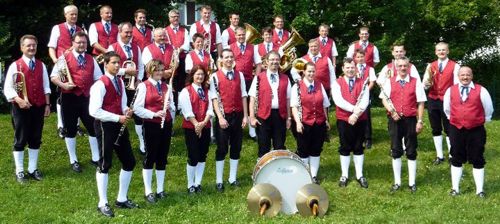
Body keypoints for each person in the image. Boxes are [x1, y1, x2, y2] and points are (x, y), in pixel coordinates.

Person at [89, 52, 138, 217]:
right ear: (106, 64)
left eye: (119, 63)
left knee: (129, 161)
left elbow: (123, 102)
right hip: (105, 126)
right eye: (114, 63)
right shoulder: (99, 85)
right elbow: (94, 111)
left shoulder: (119, 81)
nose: (118, 66)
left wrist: (126, 110)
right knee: (105, 164)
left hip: (119, 124)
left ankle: (121, 198)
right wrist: (119, 117)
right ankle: (102, 202)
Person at [50, 31, 102, 172]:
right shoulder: (63, 58)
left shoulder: (91, 59)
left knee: (92, 128)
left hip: (87, 99)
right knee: (70, 129)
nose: (81, 45)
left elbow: (99, 78)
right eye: (78, 42)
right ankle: (74, 160)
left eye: (84, 42)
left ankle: (96, 158)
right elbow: (54, 76)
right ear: (72, 43)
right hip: (69, 98)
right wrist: (64, 85)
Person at [3, 35, 51, 183]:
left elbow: (46, 86)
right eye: (28, 45)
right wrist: (19, 100)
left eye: (34, 45)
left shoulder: (41, 65)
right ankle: (19, 171)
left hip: (38, 106)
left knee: (36, 138)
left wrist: (47, 105)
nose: (31, 48)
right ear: (22, 48)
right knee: (21, 138)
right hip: (21, 108)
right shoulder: (15, 66)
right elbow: (7, 88)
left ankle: (32, 168)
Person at [444, 66, 493, 198]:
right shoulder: (450, 91)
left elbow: (488, 109)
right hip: (456, 129)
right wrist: (457, 119)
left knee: (477, 157)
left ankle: (480, 190)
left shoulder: (481, 90)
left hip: (476, 130)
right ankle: (455, 189)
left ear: (472, 76)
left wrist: (477, 121)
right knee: (456, 157)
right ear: (458, 76)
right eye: (462, 75)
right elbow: (447, 109)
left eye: (468, 75)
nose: (465, 77)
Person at [379, 56, 426, 194]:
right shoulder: (390, 81)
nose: (403, 68)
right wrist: (391, 111)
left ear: (409, 67)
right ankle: (397, 182)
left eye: (405, 66)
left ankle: (412, 183)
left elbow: (421, 102)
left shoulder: (416, 82)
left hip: (410, 119)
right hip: (394, 119)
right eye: (400, 66)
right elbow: (384, 99)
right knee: (396, 150)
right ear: (396, 67)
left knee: (411, 150)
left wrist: (420, 120)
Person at [134, 60, 175, 203]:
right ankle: (148, 191)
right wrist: (153, 114)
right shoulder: (143, 86)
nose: (160, 72)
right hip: (151, 124)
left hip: (166, 125)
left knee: (162, 157)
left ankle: (160, 189)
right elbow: (136, 108)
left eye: (162, 69)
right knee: (150, 157)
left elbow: (174, 108)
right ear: (150, 70)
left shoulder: (167, 86)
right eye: (157, 69)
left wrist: (170, 106)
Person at [209, 49, 248, 192]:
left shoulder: (240, 75)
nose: (229, 60)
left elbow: (244, 95)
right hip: (223, 116)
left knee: (236, 147)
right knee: (222, 148)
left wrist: (245, 115)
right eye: (226, 57)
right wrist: (219, 117)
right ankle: (219, 180)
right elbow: (214, 98)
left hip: (237, 115)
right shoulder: (214, 76)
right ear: (221, 60)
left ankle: (232, 178)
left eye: (231, 57)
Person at [108, 22, 146, 155]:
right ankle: (115, 142)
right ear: (119, 32)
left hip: (133, 86)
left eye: (131, 32)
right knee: (118, 114)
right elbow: (108, 69)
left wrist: (139, 80)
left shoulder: (136, 47)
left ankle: (142, 143)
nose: (129, 35)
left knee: (138, 115)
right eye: (126, 32)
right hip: (117, 87)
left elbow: (140, 66)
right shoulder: (113, 47)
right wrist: (126, 71)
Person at [331, 58, 370, 188]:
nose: (350, 70)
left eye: (352, 67)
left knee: (359, 146)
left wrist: (356, 115)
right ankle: (345, 175)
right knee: (345, 146)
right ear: (343, 69)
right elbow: (338, 100)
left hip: (360, 119)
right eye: (347, 67)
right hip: (343, 119)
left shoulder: (363, 82)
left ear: (356, 68)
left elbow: (365, 101)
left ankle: (360, 175)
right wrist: (353, 110)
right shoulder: (337, 83)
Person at [291, 62, 330, 184]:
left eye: (313, 71)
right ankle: (304, 175)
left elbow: (324, 104)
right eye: (309, 71)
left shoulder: (320, 85)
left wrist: (326, 120)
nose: (311, 74)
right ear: (303, 72)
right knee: (303, 149)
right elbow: (294, 107)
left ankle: (313, 176)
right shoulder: (297, 86)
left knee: (316, 149)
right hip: (304, 123)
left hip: (319, 122)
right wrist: (297, 122)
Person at [47, 4, 81, 139]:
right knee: (62, 95)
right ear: (65, 15)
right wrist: (56, 61)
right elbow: (51, 47)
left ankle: (76, 125)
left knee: (78, 93)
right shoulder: (57, 28)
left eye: (76, 14)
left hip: (77, 65)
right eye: (71, 14)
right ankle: (61, 126)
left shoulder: (80, 29)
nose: (74, 16)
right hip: (62, 65)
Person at [249, 51, 291, 158]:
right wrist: (252, 117)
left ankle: (277, 172)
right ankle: (261, 172)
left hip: (280, 116)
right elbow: (252, 98)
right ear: (267, 62)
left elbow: (288, 100)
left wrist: (288, 118)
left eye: (277, 59)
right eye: (272, 59)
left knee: (279, 146)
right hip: (263, 116)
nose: (274, 62)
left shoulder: (285, 78)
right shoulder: (258, 77)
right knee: (263, 146)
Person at [423, 42, 460, 165]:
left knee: (449, 128)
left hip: (447, 100)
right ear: (435, 52)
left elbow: (457, 86)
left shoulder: (455, 66)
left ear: (448, 51)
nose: (441, 52)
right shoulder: (431, 66)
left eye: (444, 50)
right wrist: (427, 84)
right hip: (433, 99)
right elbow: (425, 83)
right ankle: (439, 156)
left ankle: (451, 155)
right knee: (435, 128)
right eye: (439, 50)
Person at [179, 65, 214, 194]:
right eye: (197, 74)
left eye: (202, 75)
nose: (200, 77)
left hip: (205, 126)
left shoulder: (207, 92)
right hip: (190, 127)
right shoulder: (185, 91)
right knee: (193, 155)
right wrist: (196, 124)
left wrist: (204, 122)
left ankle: (198, 182)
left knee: (202, 155)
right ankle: (190, 184)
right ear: (192, 75)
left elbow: (210, 108)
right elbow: (186, 110)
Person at [165, 9, 190, 107]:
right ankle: (173, 103)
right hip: (170, 59)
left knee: (182, 80)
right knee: (172, 80)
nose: (175, 18)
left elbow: (187, 44)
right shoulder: (165, 30)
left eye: (177, 16)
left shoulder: (184, 30)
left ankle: (181, 104)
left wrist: (179, 50)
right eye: (173, 16)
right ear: (169, 18)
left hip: (182, 57)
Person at [353, 49, 377, 149]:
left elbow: (372, 82)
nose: (360, 59)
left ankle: (368, 138)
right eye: (358, 57)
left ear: (365, 57)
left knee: (366, 116)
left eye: (361, 57)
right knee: (356, 115)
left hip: (366, 96)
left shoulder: (370, 69)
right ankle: (358, 137)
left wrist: (365, 91)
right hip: (354, 96)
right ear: (355, 58)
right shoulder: (352, 68)